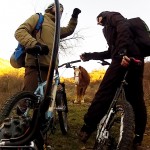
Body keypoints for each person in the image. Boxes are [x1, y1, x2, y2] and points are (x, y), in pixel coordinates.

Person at [79, 11, 147, 148]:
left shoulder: (111, 16)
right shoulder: (118, 33)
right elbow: (111, 51)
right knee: (136, 99)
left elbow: (123, 27)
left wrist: (122, 53)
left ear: (101, 16)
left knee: (104, 93)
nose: (98, 23)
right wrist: (90, 56)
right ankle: (138, 137)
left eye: (97, 20)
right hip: (137, 60)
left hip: (122, 59)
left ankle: (87, 128)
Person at [14, 3, 81, 92]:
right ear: (50, 8)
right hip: (35, 64)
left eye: (62, 10)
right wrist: (36, 44)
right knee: (28, 98)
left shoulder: (57, 28)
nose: (60, 10)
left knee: (44, 100)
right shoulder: (38, 18)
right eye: (58, 7)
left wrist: (74, 17)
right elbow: (20, 32)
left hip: (50, 67)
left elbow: (69, 30)